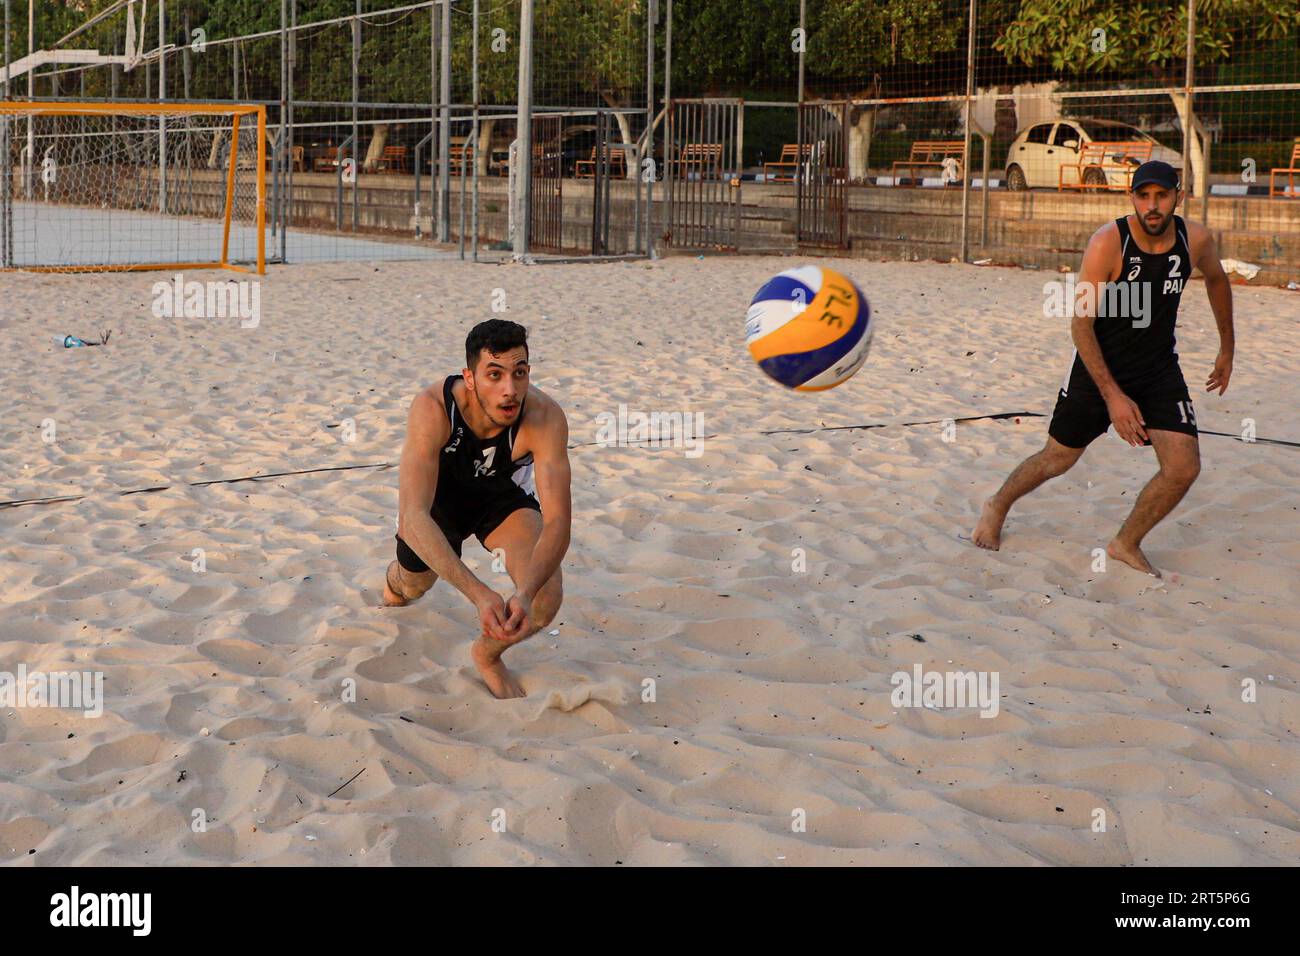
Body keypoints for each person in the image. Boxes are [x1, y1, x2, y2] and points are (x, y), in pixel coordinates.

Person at [973, 161, 1234, 576]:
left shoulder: (1194, 239)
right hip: (1098, 367)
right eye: (1143, 196)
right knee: (1058, 458)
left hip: (1158, 370)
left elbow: (1218, 280)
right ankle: (997, 504)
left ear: (1177, 197)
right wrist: (1113, 397)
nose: (1153, 206)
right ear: (1132, 198)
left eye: (1162, 196)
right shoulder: (1107, 243)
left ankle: (1125, 543)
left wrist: (1227, 349)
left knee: (1184, 467)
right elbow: (1080, 325)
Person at [383, 319, 571, 698]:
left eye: (519, 374)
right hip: (440, 500)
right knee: (413, 585)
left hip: (497, 497)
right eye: (494, 375)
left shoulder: (545, 417)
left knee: (545, 599)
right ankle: (394, 586)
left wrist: (524, 592)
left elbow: (558, 522)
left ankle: (487, 655)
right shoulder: (433, 407)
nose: (510, 390)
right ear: (470, 378)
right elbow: (413, 516)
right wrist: (482, 594)